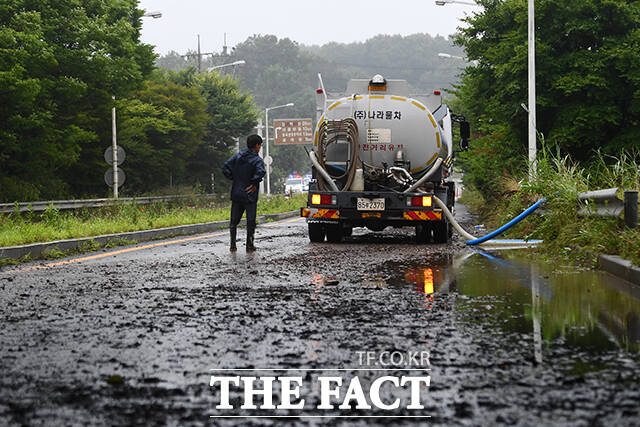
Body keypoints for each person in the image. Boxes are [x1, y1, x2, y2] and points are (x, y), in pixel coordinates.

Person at [222, 134, 266, 252]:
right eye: (260, 145)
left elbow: (225, 167)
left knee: (234, 221)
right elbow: (261, 172)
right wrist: (254, 182)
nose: (260, 148)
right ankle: (249, 246)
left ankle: (232, 245)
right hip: (249, 194)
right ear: (257, 145)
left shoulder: (237, 157)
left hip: (236, 192)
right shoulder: (257, 160)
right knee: (250, 221)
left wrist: (234, 178)